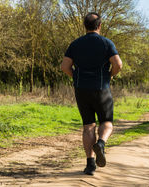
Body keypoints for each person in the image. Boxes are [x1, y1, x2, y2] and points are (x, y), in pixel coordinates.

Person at [60, 12, 122, 175]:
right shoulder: (106, 43)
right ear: (99, 25)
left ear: (84, 26)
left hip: (82, 89)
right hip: (102, 88)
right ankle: (101, 144)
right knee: (107, 122)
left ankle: (90, 164)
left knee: (88, 126)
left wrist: (77, 77)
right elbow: (118, 64)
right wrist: (110, 75)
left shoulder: (75, 44)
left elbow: (65, 67)